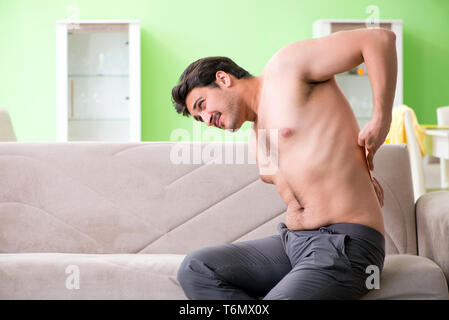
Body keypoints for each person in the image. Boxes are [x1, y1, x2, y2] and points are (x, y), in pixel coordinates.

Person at [171, 28, 397, 299]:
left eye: (202, 104)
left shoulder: (286, 68)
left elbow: (377, 40)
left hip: (346, 246)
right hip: (294, 244)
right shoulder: (256, 137)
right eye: (199, 119)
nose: (206, 120)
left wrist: (381, 119)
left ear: (222, 79)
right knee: (197, 267)